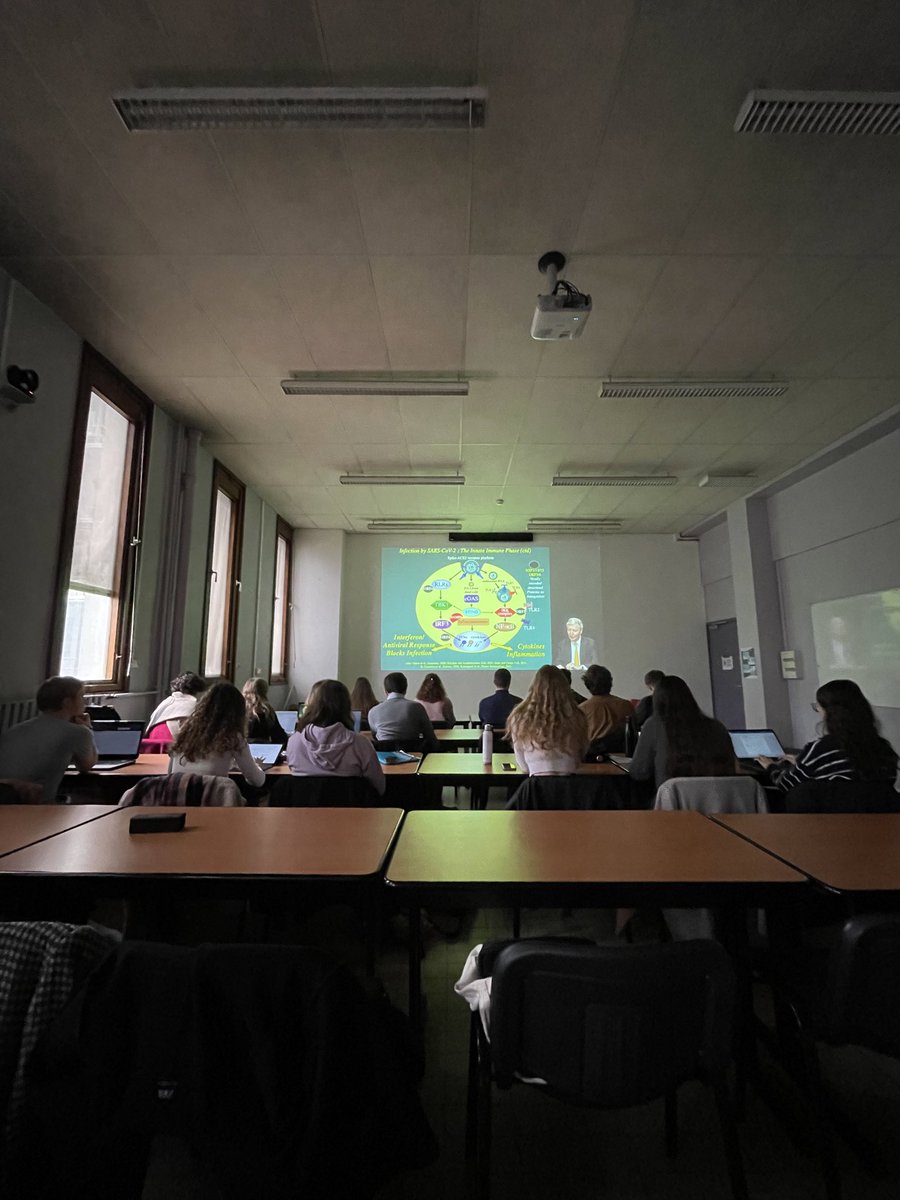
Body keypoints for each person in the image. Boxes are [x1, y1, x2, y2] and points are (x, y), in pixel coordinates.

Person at [758, 678, 898, 792]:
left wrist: (771, 767)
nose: (818, 711)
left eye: (818, 707)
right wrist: (803, 764)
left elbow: (787, 784)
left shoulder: (821, 749)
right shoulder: (883, 748)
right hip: (880, 821)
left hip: (830, 821)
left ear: (830, 712)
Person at [629, 675, 735, 790]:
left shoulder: (654, 725)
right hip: (718, 802)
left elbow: (639, 772)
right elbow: (731, 767)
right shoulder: (717, 727)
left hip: (673, 803)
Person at [0, 676, 96, 803]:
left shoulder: (16, 729)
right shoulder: (78, 732)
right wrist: (88, 728)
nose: (85, 702)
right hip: (38, 804)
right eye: (81, 697)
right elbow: (86, 766)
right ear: (67, 702)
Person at [286, 679, 385, 796]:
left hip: (303, 812)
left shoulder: (294, 742)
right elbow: (379, 787)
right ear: (346, 706)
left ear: (312, 705)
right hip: (352, 812)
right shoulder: (361, 744)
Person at [170, 682, 265, 787]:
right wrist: (258, 766)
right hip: (209, 796)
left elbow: (170, 772)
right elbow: (257, 781)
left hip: (177, 794)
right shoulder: (232, 737)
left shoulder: (185, 731)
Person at [506, 665, 589, 776]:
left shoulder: (519, 717)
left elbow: (524, 767)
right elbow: (580, 757)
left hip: (536, 788)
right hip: (569, 788)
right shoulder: (578, 716)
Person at [367, 673, 439, 751]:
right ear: (405, 689)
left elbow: (375, 737)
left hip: (385, 759)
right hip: (414, 756)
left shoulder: (373, 711)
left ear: (385, 691)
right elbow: (429, 736)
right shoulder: (416, 707)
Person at [579, 665, 633, 753]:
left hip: (591, 758)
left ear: (587, 684)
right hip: (622, 756)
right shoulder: (626, 705)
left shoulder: (582, 709)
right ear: (610, 682)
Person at [145, 672, 207, 741]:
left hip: (152, 743)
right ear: (198, 691)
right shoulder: (196, 705)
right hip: (175, 744)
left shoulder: (165, 703)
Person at [242, 676, 288, 746]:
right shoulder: (266, 711)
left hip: (243, 749)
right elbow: (279, 736)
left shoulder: (239, 710)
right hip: (264, 750)